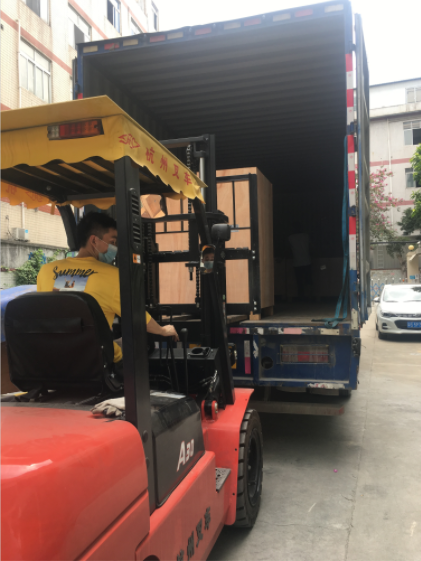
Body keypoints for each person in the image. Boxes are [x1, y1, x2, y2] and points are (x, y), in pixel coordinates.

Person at [37, 212, 178, 374]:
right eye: (112, 242)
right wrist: (162, 330)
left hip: (52, 359)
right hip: (95, 362)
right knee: (142, 352)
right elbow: (137, 317)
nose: (115, 248)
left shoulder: (46, 271)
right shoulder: (113, 275)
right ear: (94, 240)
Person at [288, 221, 313, 299]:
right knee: (308, 280)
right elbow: (311, 247)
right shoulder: (306, 236)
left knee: (299, 281)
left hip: (297, 262)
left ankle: (301, 296)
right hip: (307, 261)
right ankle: (309, 296)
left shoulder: (290, 238)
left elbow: (288, 250)